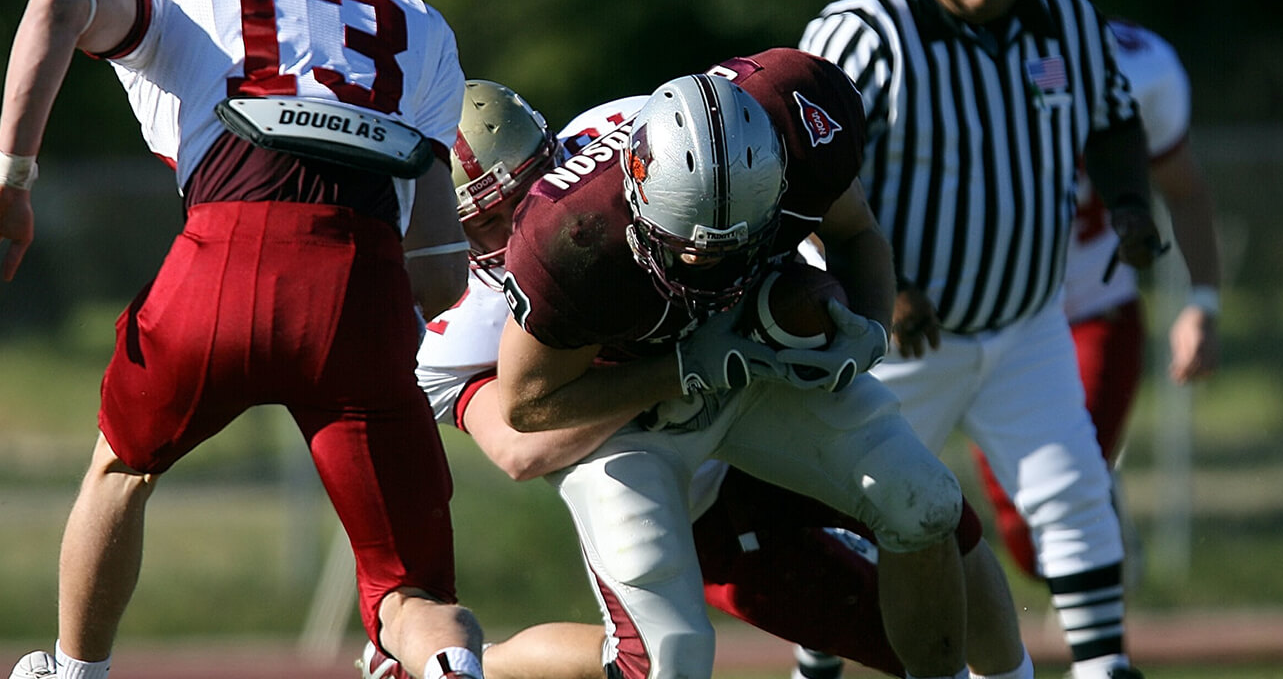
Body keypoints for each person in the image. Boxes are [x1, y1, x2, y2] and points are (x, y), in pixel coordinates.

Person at [0, 0, 486, 679]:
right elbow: (441, 267)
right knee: (411, 593)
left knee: (122, 468)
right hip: (361, 276)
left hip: (224, 251)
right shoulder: (416, 19)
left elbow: (57, 6)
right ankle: (448, 666)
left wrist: (10, 180)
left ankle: (75, 671)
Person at [384, 81, 1033, 679]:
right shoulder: (457, 320)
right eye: (487, 221)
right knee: (669, 661)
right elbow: (522, 445)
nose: (521, 221)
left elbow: (781, 223)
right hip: (677, 480)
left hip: (752, 388)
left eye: (528, 187)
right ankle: (483, 666)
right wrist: (680, 370)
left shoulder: (633, 143)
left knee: (931, 513)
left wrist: (821, 313)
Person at [799, 0, 1163, 679]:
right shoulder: (866, 32)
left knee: (1072, 488)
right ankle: (813, 669)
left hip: (1027, 323)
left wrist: (1135, 206)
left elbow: (1111, 117)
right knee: (851, 515)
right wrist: (877, 289)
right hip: (896, 339)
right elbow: (803, 172)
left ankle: (1104, 665)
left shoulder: (1061, 10)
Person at [970, 0, 1225, 578]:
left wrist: (1203, 302)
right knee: (1022, 528)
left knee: (1061, 491)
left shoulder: (1134, 67)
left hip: (1092, 306)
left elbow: (1184, 191)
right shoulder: (921, 63)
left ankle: (1102, 652)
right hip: (988, 321)